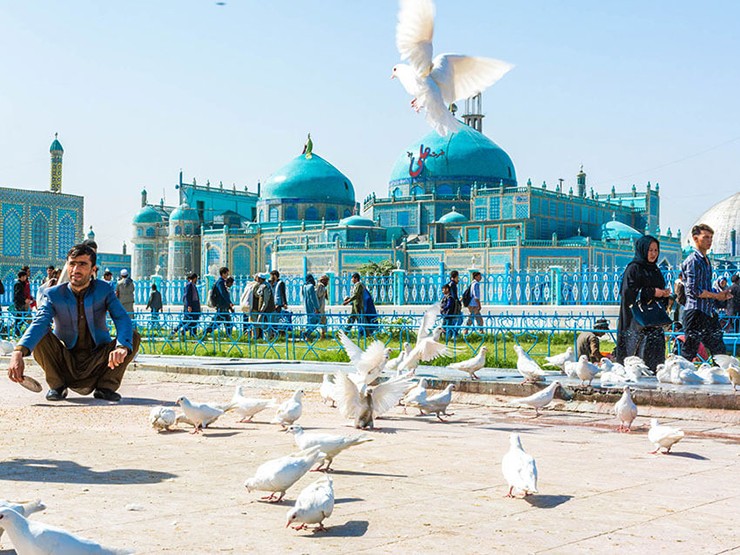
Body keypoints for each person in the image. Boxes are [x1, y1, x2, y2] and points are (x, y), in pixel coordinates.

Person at [7, 243, 140, 402]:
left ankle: (106, 387)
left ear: (93, 269)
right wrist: (18, 352)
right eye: (72, 264)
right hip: (66, 361)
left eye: (82, 264)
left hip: (99, 361)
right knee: (41, 334)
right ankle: (57, 386)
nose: (76, 269)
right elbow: (40, 322)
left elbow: (121, 318)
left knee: (132, 336)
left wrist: (121, 347)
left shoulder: (104, 290)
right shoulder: (54, 294)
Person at [615, 235, 671, 373]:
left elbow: (658, 295)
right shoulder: (633, 269)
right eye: (650, 250)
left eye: (656, 250)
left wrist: (664, 295)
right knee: (637, 361)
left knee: (655, 362)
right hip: (636, 323)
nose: (653, 254)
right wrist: (652, 292)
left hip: (654, 323)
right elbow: (627, 294)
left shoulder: (655, 270)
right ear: (643, 250)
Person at [680, 224, 732, 362]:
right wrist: (716, 295)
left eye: (711, 238)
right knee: (690, 350)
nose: (709, 241)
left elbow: (705, 287)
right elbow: (693, 290)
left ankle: (723, 378)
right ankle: (679, 377)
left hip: (708, 312)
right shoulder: (693, 261)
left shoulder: (706, 261)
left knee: (719, 349)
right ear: (695, 239)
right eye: (706, 237)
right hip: (695, 312)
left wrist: (722, 295)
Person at [204, 267, 234, 336]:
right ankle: (204, 333)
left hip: (224, 307)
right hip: (221, 306)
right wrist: (229, 302)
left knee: (228, 323)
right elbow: (223, 293)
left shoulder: (222, 282)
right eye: (226, 273)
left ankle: (229, 337)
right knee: (215, 323)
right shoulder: (220, 282)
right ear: (223, 274)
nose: (227, 275)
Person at [174, 272, 201, 337]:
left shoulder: (193, 285)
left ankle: (192, 333)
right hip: (192, 306)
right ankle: (182, 330)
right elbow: (188, 296)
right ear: (194, 278)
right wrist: (189, 305)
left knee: (191, 319)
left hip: (194, 305)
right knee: (191, 320)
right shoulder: (189, 285)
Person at [13, 271, 31, 336]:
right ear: (21, 277)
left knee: (22, 318)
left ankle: (18, 332)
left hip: (22, 304)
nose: (25, 278)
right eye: (24, 276)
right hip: (19, 304)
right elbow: (18, 295)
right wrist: (24, 300)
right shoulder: (18, 284)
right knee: (19, 318)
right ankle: (16, 332)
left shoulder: (23, 284)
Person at [302, 274, 320, 338]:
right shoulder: (311, 286)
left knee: (309, 320)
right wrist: (317, 308)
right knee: (317, 320)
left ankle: (307, 334)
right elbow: (313, 298)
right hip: (311, 306)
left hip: (306, 306)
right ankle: (307, 332)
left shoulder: (304, 286)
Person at [316, 274, 329, 339]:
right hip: (319, 308)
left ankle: (323, 335)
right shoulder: (320, 286)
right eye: (326, 281)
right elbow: (318, 295)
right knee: (321, 321)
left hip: (321, 308)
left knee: (323, 321)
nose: (327, 283)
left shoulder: (322, 287)